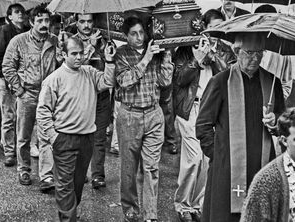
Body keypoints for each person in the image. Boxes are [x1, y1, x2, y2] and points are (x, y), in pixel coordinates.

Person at [195, 33, 286, 222]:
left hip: (261, 166)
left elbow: (284, 122)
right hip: (227, 168)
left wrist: (275, 120)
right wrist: (219, 155)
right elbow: (203, 125)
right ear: (237, 51)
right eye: (249, 53)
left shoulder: (273, 82)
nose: (255, 58)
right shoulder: (221, 81)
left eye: (259, 53)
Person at [37, 36, 116, 222]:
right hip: (64, 138)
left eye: (81, 53)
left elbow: (107, 82)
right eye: (74, 54)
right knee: (64, 186)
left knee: (77, 184)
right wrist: (53, 137)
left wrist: (110, 61)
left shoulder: (89, 72)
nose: (79, 57)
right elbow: (43, 111)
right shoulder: (53, 80)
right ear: (63, 55)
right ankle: (68, 218)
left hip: (87, 138)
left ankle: (69, 213)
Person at [115, 16, 174, 222]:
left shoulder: (155, 52)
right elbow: (124, 81)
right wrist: (146, 58)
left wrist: (166, 55)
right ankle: (130, 209)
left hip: (153, 113)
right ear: (126, 36)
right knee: (129, 168)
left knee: (151, 167)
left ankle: (150, 214)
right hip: (129, 115)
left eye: (142, 32)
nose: (139, 37)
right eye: (134, 34)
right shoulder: (121, 54)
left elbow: (165, 82)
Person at [172, 35, 228, 222]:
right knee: (194, 158)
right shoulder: (184, 50)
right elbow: (179, 79)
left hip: (211, 109)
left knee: (206, 159)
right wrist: (196, 59)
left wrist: (213, 57)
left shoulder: (220, 50)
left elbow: (228, 76)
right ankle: (182, 204)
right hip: (190, 108)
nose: (209, 39)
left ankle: (196, 205)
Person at [2, 4, 59, 188]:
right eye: (40, 20)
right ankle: (24, 169)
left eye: (46, 20)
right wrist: (19, 89)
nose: (44, 24)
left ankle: (46, 176)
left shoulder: (55, 40)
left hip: (49, 95)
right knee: (24, 136)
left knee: (46, 136)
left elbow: (63, 65)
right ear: (32, 22)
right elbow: (7, 66)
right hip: (27, 94)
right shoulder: (19, 41)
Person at [72, 13, 112, 190]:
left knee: (99, 137)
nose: (86, 25)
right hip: (81, 96)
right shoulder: (71, 41)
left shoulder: (104, 38)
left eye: (89, 21)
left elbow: (111, 65)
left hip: (101, 96)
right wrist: (90, 46)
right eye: (82, 21)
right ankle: (79, 173)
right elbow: (75, 66)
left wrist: (104, 49)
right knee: (80, 137)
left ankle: (97, 175)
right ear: (76, 23)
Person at [0, 3, 29, 167]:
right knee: (8, 116)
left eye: (22, 12)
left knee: (23, 117)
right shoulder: (4, 31)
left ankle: (20, 150)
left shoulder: (27, 31)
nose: (20, 14)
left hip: (24, 80)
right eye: (16, 12)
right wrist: (5, 78)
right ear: (10, 16)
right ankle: (9, 152)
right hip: (7, 80)